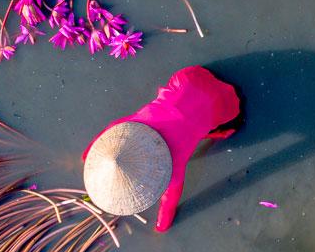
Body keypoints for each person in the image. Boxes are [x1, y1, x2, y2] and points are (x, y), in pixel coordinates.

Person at [82, 66, 241, 232]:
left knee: (210, 127)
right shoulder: (128, 126)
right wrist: (88, 155)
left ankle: (218, 132)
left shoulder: (173, 169)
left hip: (217, 103)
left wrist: (161, 227)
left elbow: (168, 204)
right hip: (187, 80)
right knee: (192, 127)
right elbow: (106, 134)